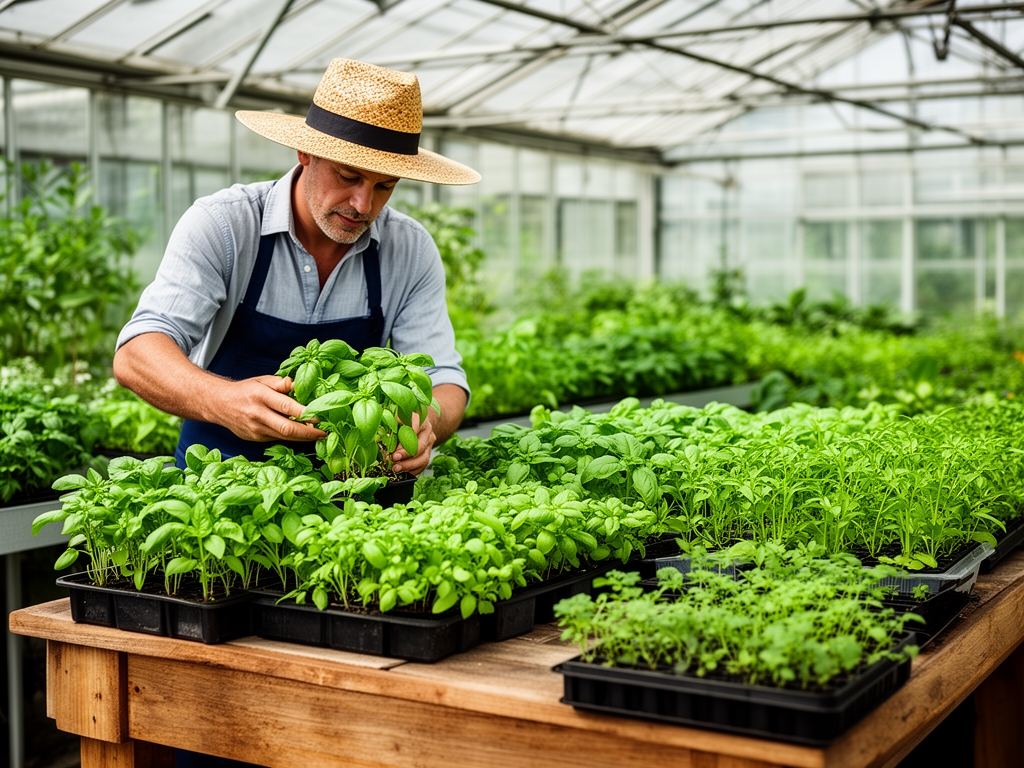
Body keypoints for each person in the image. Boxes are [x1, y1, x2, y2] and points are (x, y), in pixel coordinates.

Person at [113, 58, 480, 475]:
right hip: (217, 492)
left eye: (384, 186)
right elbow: (137, 352)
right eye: (348, 176)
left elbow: (445, 378)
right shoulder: (225, 225)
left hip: (351, 490)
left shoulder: (409, 249)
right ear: (305, 151)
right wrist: (223, 400)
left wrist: (427, 422)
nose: (364, 205)